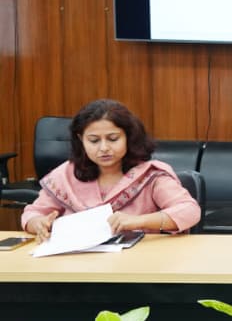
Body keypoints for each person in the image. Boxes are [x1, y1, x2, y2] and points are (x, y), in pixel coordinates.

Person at [21, 99, 201, 242]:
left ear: (128, 137)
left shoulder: (150, 175)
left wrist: (139, 221)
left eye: (113, 139)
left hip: (138, 264)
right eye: (94, 140)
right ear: (81, 139)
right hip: (78, 265)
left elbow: (189, 211)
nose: (104, 148)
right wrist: (38, 224)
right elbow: (32, 213)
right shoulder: (65, 175)